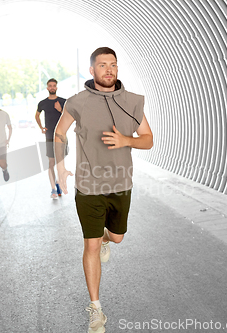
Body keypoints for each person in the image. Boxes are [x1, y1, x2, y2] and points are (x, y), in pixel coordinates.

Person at [54, 47, 153, 333]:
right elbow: (60, 133)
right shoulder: (77, 102)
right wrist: (60, 167)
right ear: (92, 71)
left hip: (121, 184)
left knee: (118, 238)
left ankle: (108, 238)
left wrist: (126, 141)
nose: (108, 70)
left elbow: (147, 140)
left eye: (113, 65)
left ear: (117, 69)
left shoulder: (132, 102)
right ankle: (96, 310)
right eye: (102, 65)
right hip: (88, 186)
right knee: (91, 245)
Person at [35, 78, 67, 199]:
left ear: (56, 87)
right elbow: (37, 115)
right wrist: (41, 127)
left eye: (54, 86)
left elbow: (69, 116)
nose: (52, 87)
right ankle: (53, 189)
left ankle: (59, 185)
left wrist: (60, 110)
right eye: (50, 86)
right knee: (51, 163)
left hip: (60, 137)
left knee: (60, 164)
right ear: (47, 88)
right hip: (49, 137)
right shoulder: (42, 103)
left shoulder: (63, 101)